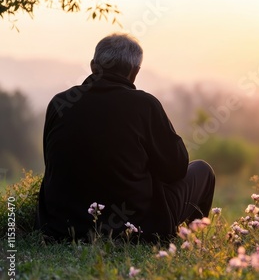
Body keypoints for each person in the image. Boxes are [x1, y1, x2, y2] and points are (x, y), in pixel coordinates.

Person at [36, 33, 215, 242]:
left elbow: (52, 162)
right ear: (134, 71)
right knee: (203, 170)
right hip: (132, 226)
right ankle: (190, 242)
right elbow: (176, 169)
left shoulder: (60, 103)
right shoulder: (145, 105)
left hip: (60, 226)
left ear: (93, 66)